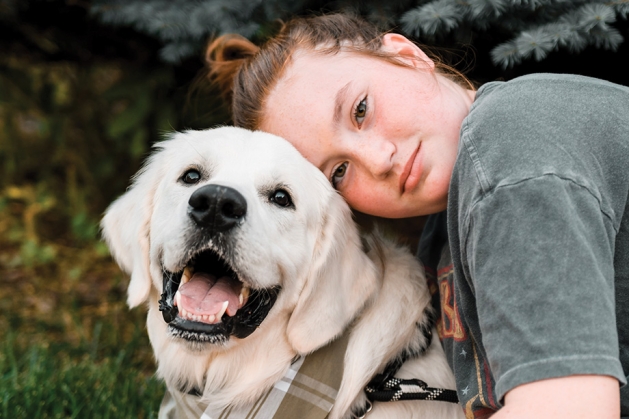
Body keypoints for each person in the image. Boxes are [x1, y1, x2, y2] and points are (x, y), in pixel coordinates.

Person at [205, 13, 629, 418]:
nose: (378, 160)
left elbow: (570, 410)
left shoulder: (507, 154)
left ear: (407, 55)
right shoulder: (443, 235)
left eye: (360, 110)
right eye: (338, 172)